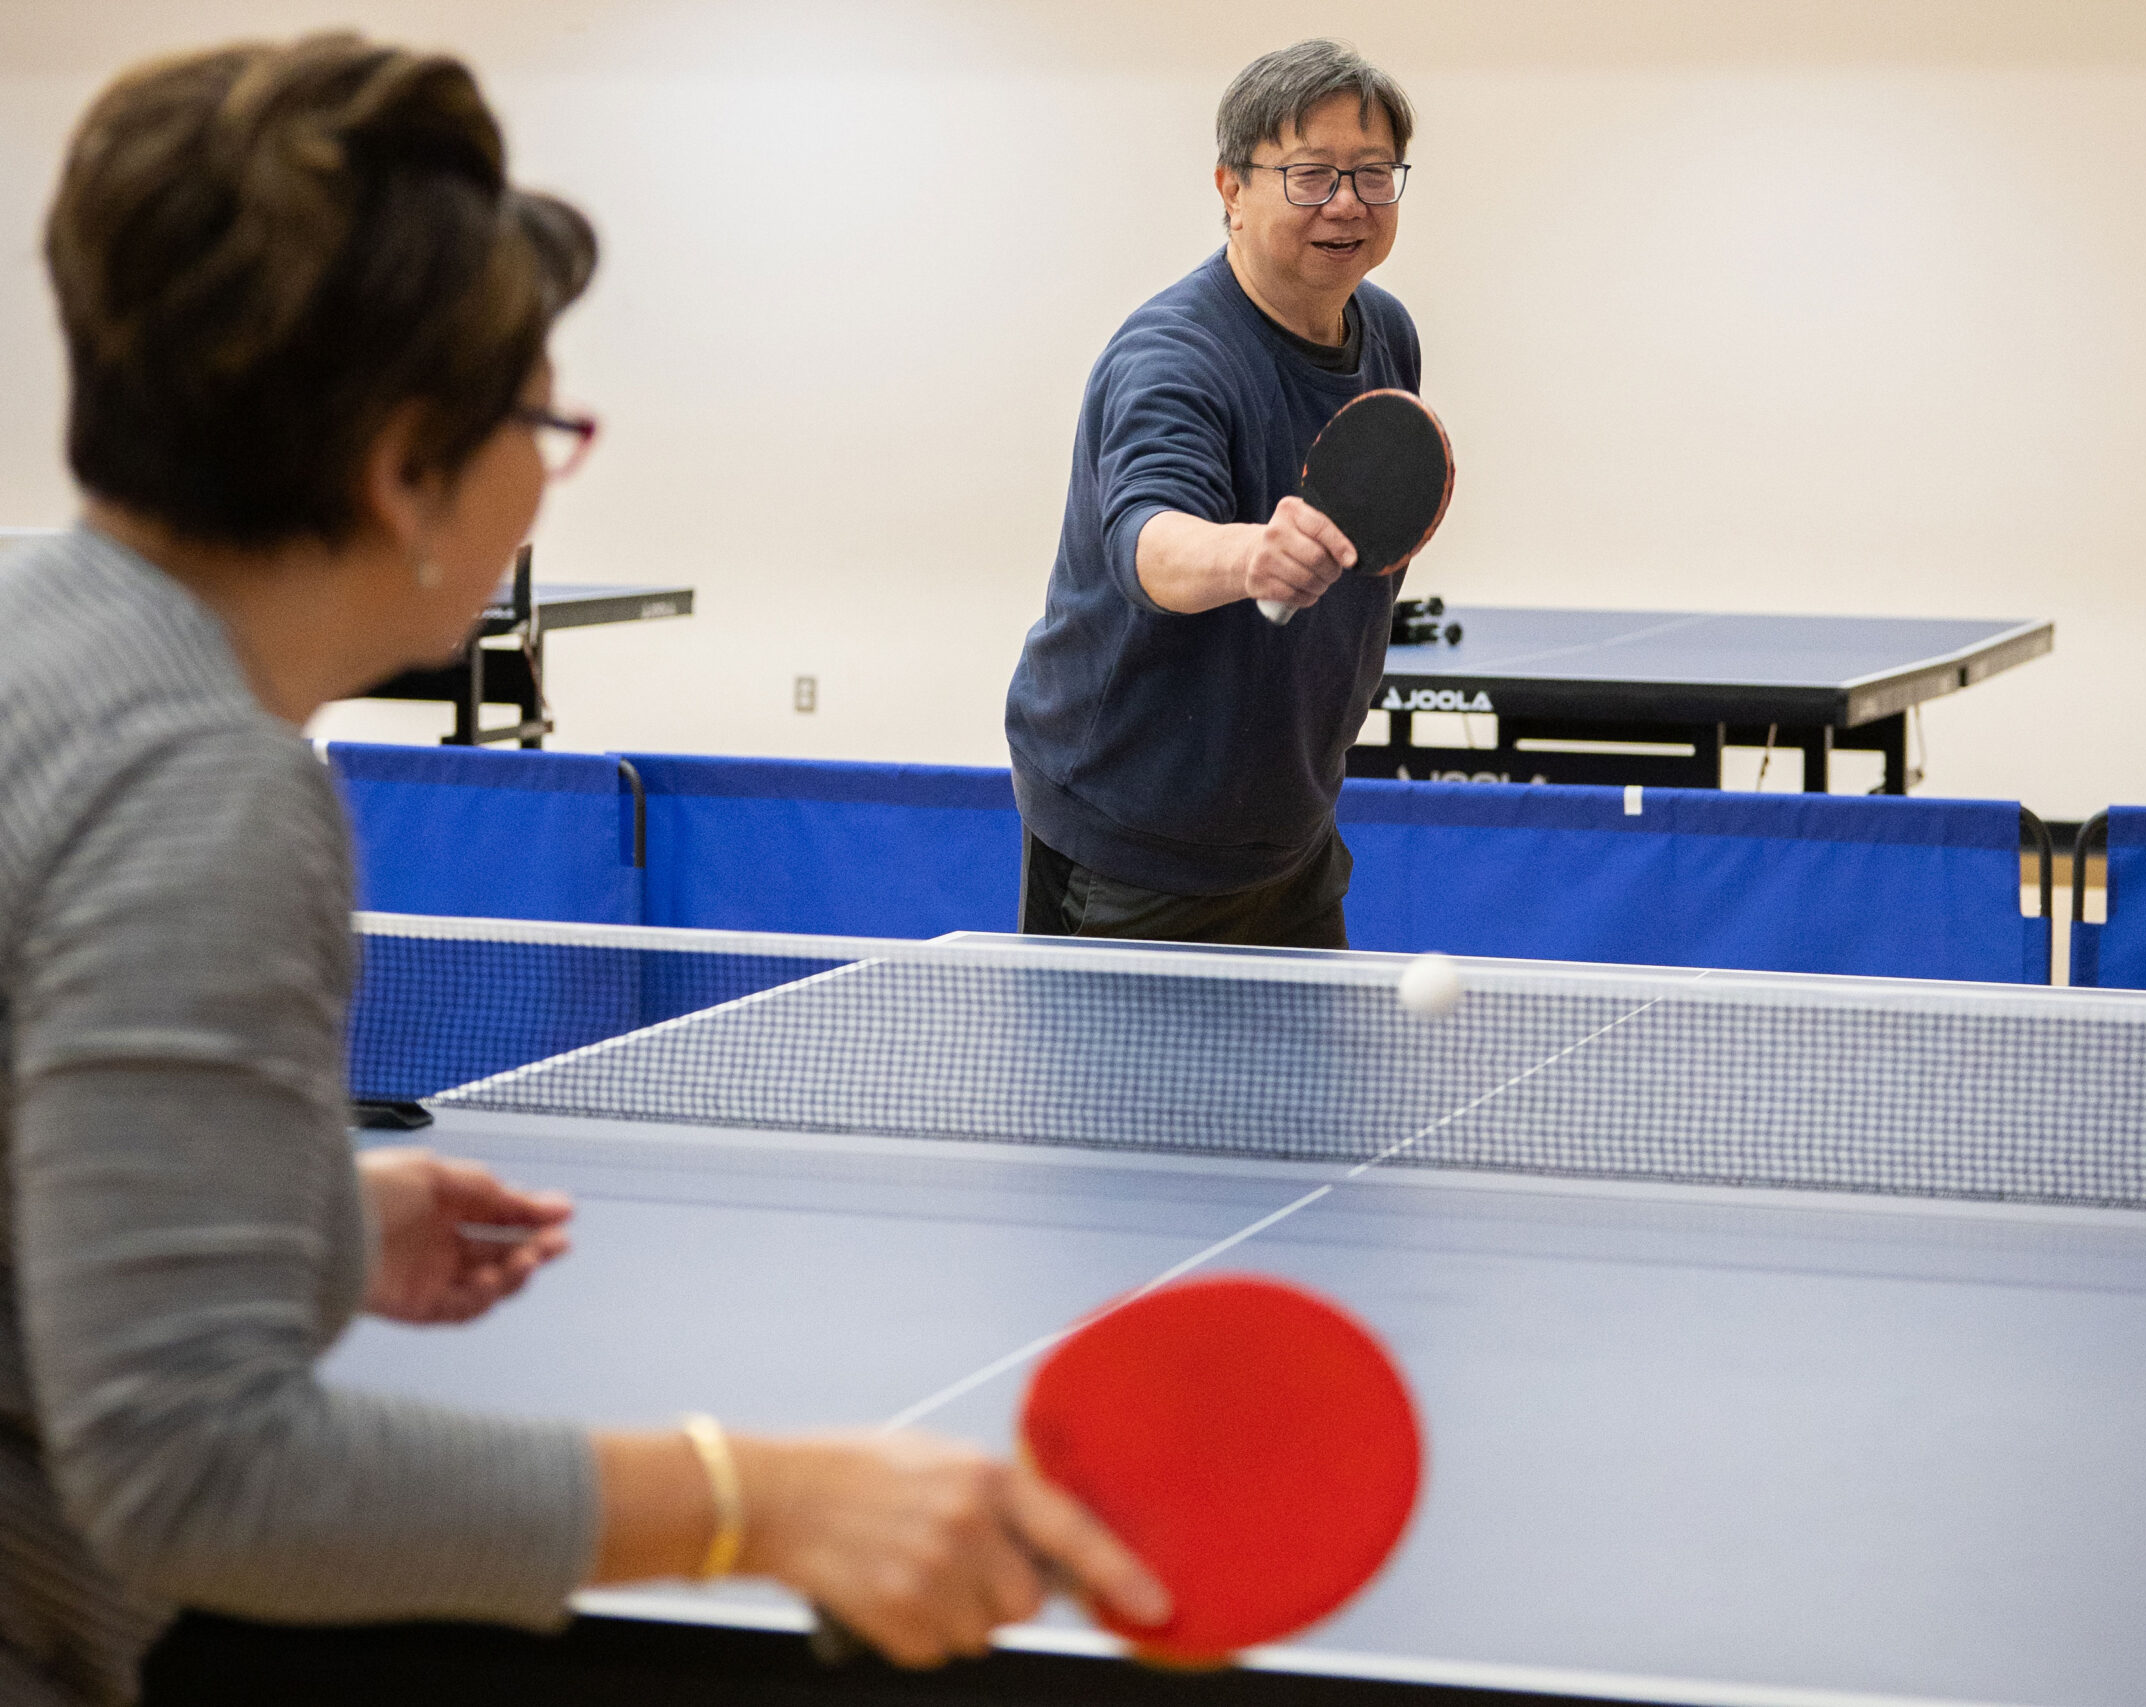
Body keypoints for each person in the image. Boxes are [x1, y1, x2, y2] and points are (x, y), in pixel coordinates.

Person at [1, 35, 1163, 1705]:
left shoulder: (38, 640)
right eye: (538, 420)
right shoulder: (203, 786)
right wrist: (757, 1498)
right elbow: (201, 1472)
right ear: (405, 472)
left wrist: (306, 1221)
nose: (547, 468)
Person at [1005, 39, 1424, 949]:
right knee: (1128, 1101)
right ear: (1232, 189)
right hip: (1134, 839)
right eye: (1311, 175)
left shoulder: (1384, 331)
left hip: (1288, 830)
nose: (1346, 203)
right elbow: (1149, 539)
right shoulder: (1175, 360)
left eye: (1372, 173)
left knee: (1309, 1096)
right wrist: (1251, 554)